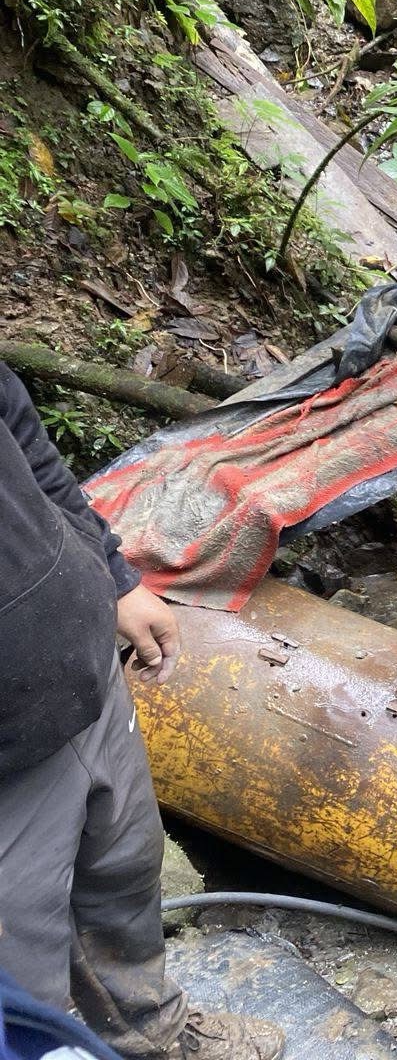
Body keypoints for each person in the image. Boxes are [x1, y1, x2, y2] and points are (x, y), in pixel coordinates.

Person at [0, 362, 284, 1060]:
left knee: (124, 866)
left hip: (84, 666)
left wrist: (110, 574)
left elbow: (20, 427)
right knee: (19, 977)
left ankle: (150, 1030)